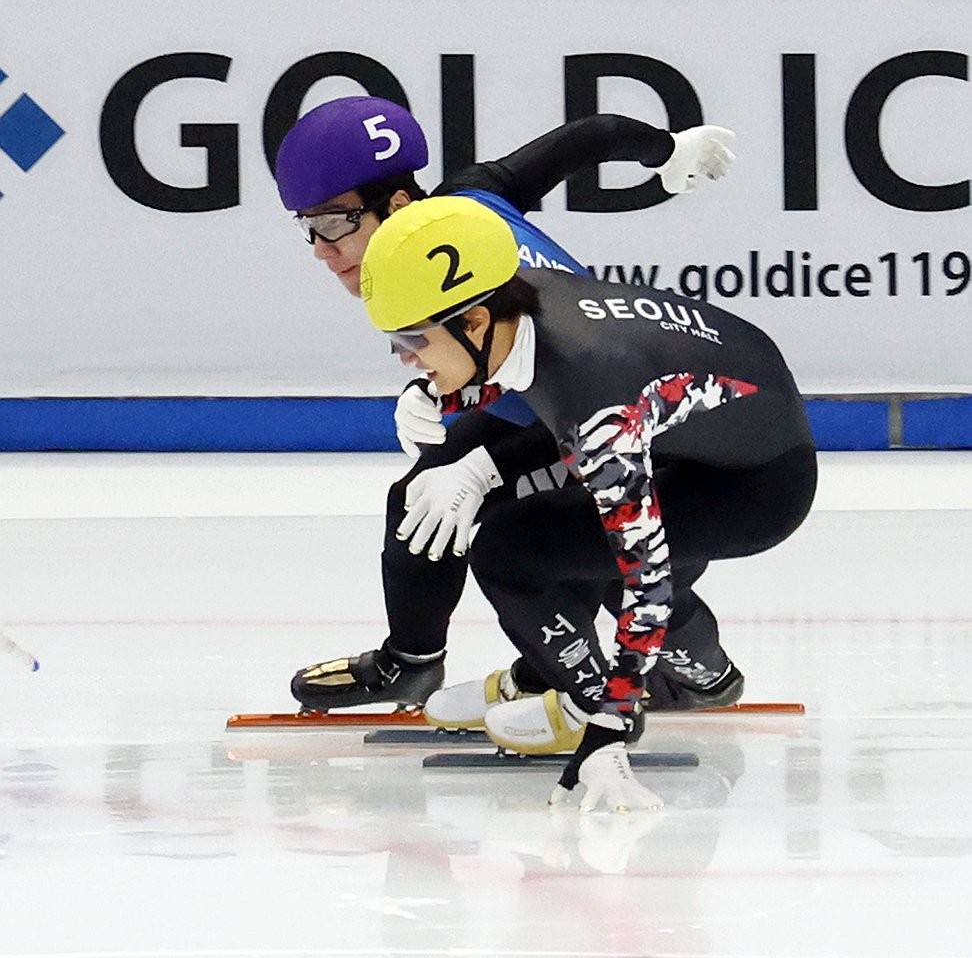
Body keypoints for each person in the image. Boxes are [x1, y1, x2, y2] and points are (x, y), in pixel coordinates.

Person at [273, 95, 737, 719]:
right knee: (421, 500)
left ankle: (697, 673)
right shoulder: (463, 202)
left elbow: (583, 402)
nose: (321, 250)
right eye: (309, 226)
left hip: (639, 432)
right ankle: (410, 664)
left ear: (399, 207)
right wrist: (667, 148)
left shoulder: (493, 274)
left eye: (335, 224)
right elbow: (587, 137)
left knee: (591, 557)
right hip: (554, 410)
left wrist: (482, 462)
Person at [358, 195, 817, 810]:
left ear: (473, 323)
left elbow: (646, 584)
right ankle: (554, 672)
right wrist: (447, 398)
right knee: (555, 527)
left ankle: (583, 702)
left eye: (412, 340)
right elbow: (538, 388)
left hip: (752, 489)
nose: (405, 358)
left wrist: (610, 732)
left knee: (512, 550)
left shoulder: (600, 402)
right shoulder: (522, 295)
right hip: (698, 425)